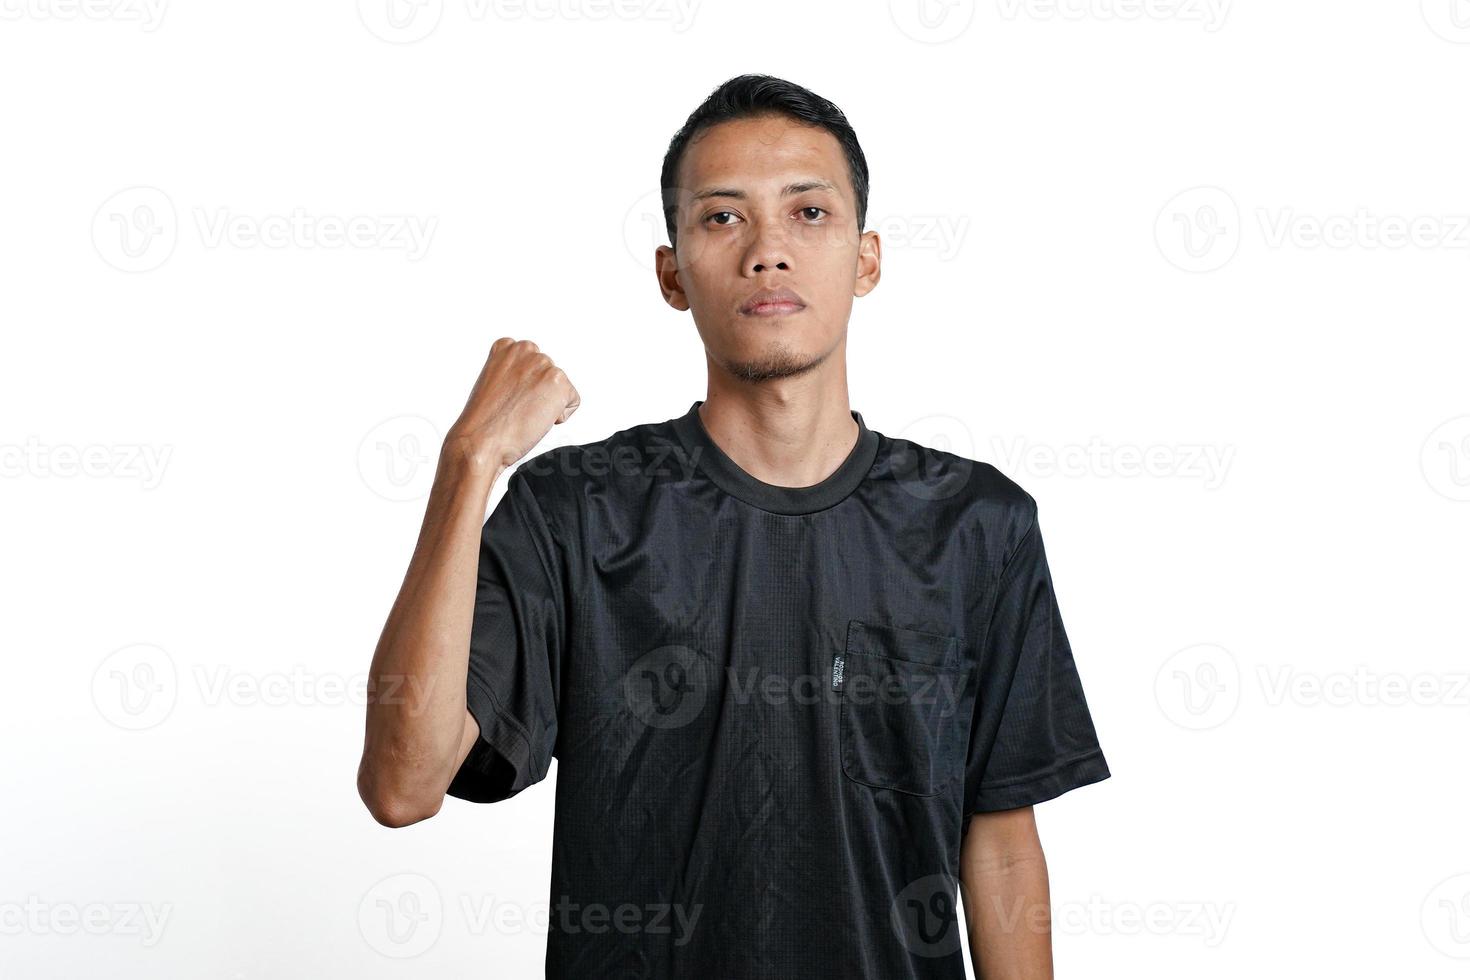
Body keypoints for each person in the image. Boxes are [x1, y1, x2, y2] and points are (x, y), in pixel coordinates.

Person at [356, 73, 1109, 979]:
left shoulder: (975, 525)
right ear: (672, 273)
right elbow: (403, 785)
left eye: (809, 214)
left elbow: (998, 839)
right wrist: (467, 465)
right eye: (722, 218)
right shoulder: (576, 513)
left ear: (866, 259)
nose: (768, 252)